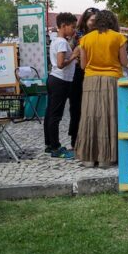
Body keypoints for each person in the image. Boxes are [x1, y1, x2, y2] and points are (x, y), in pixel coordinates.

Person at [76, 10, 128, 168]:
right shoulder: (119, 38)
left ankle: (88, 158)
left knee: (90, 116)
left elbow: (83, 65)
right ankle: (107, 157)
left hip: (90, 80)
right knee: (109, 116)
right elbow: (124, 62)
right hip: (112, 80)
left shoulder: (85, 39)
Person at [44, 12, 79, 159]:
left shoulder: (57, 41)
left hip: (55, 80)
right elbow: (60, 64)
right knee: (56, 115)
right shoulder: (62, 43)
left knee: (51, 113)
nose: (74, 30)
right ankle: (55, 147)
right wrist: (74, 56)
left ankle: (49, 144)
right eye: (72, 27)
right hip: (60, 81)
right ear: (63, 26)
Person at [70, 7, 99, 150]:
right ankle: (76, 137)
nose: (94, 23)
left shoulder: (101, 34)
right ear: (86, 21)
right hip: (80, 73)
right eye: (92, 20)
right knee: (77, 107)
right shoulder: (79, 36)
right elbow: (74, 54)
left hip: (94, 73)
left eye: (96, 20)